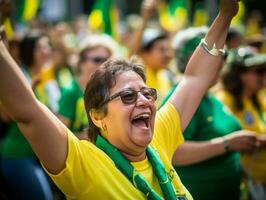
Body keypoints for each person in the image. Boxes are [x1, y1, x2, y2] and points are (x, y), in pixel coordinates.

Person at [0, 0, 239, 199]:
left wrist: (226, 14)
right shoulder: (84, 165)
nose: (144, 101)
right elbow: (27, 109)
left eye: (148, 93)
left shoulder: (158, 138)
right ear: (97, 116)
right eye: (128, 96)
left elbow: (195, 78)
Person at [161, 27, 265, 200]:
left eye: (222, 53)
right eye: (212, 52)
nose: (221, 59)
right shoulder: (181, 99)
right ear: (190, 60)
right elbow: (171, 152)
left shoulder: (210, 98)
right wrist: (227, 144)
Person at [0, 32, 60, 200]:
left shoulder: (49, 78)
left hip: (42, 157)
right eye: (40, 47)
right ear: (29, 51)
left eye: (47, 46)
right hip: (18, 155)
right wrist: (29, 90)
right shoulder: (20, 76)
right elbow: (6, 115)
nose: (46, 50)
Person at [216, 46, 266, 200]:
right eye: (259, 71)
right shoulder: (223, 100)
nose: (264, 76)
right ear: (239, 74)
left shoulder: (257, 98)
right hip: (242, 185)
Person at [57, 35, 115, 138]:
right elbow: (59, 136)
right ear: (81, 63)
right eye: (97, 60)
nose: (104, 65)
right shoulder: (70, 92)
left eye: (108, 60)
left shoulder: (111, 90)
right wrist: (88, 137)